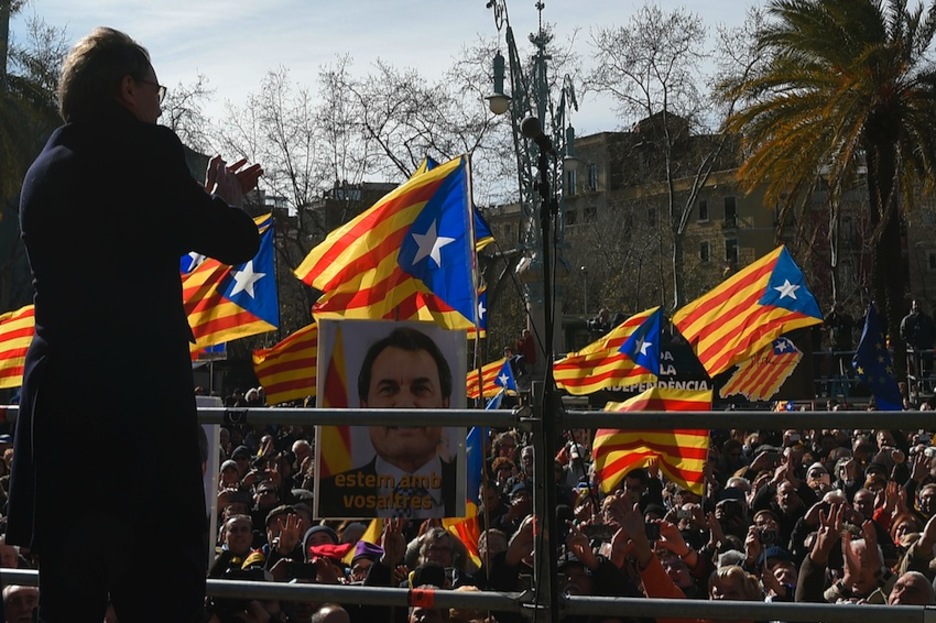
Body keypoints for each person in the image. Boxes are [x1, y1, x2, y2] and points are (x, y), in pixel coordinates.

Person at [8, 27, 262, 621]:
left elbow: (125, 243)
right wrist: (227, 203)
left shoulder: (43, 169)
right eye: (155, 90)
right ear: (127, 88)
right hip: (138, 425)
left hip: (59, 421)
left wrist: (187, 204)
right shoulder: (147, 151)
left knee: (68, 600)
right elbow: (235, 241)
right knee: (159, 595)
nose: (158, 104)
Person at [317, 327, 458, 518]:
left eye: (421, 389)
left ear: (445, 403)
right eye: (388, 389)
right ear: (364, 405)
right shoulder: (329, 497)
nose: (405, 405)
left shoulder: (468, 488)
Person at [900, 299, 935, 377]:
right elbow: (904, 334)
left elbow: (932, 331)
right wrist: (912, 343)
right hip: (914, 349)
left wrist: (931, 342)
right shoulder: (907, 320)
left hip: (927, 348)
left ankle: (925, 381)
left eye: (918, 304)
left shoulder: (927, 319)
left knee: (928, 367)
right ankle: (918, 381)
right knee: (916, 369)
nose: (917, 306)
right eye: (915, 305)